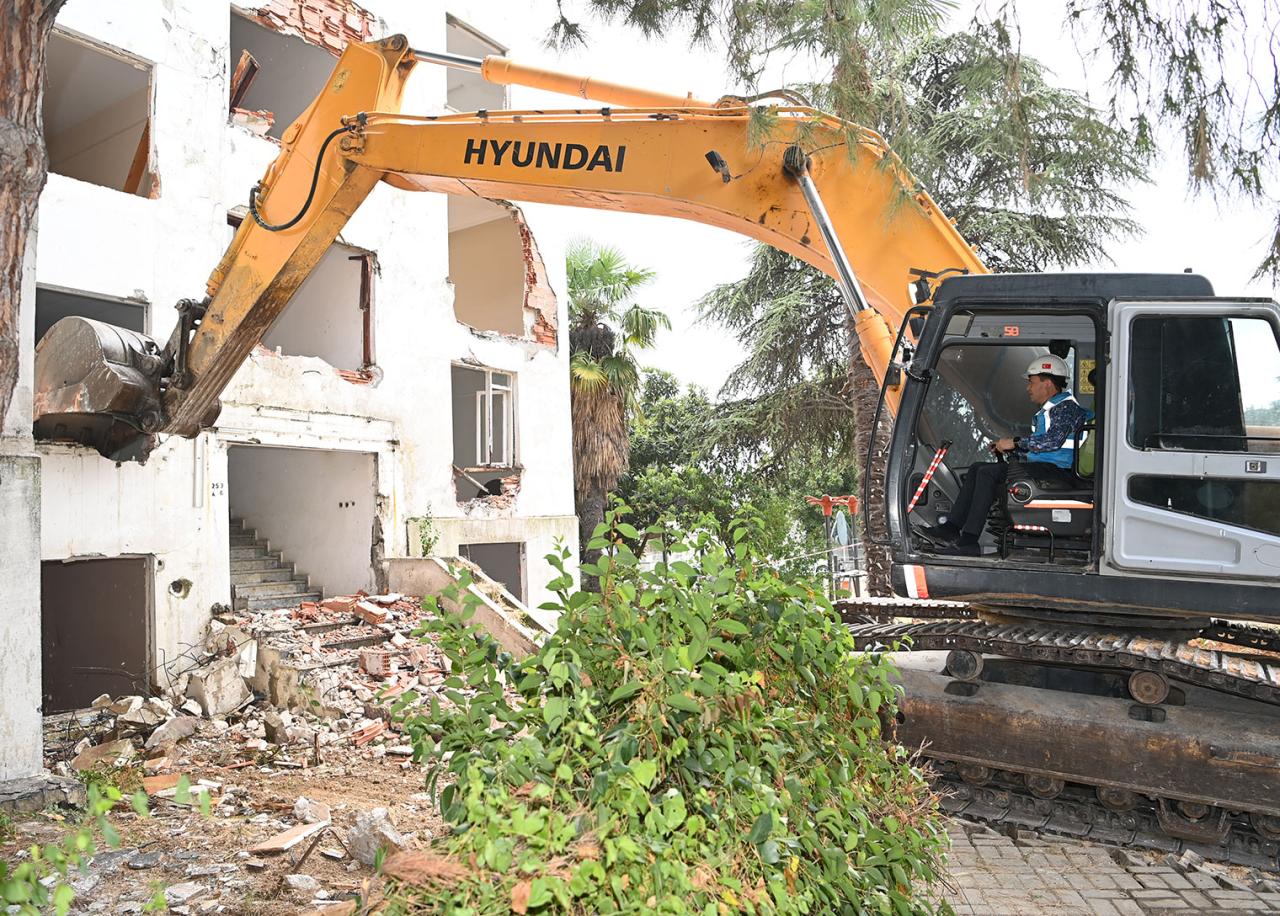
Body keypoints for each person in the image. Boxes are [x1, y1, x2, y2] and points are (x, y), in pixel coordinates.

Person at [919, 354, 1090, 555]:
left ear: (1048, 383)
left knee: (987, 474)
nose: (1028, 388)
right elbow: (1043, 445)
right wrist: (1012, 447)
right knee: (977, 468)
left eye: (1032, 383)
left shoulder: (1066, 408)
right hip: (1046, 467)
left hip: (1056, 471)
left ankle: (968, 541)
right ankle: (950, 529)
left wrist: (1015, 442)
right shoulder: (1056, 408)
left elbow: (1052, 441)